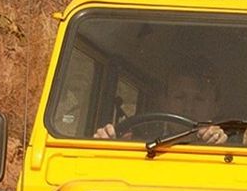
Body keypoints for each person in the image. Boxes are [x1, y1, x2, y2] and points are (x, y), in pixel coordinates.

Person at [94, 56, 227, 144]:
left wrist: (217, 145)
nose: (188, 107)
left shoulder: (230, 152)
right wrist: (105, 144)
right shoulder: (136, 140)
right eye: (179, 97)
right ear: (164, 102)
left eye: (199, 99)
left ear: (215, 108)